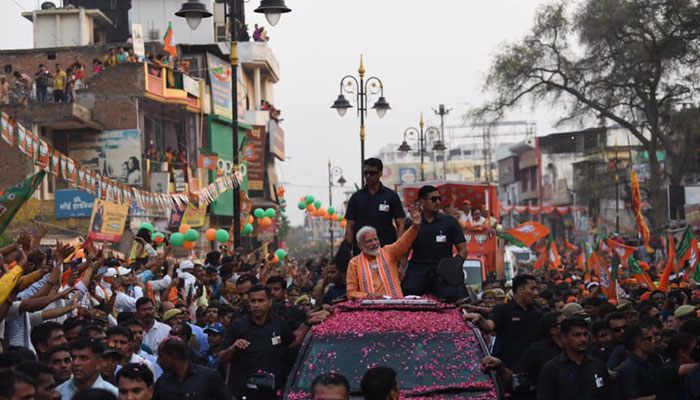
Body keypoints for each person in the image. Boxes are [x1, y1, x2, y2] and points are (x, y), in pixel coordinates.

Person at [219, 284, 314, 399]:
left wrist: (308, 323)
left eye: (260, 301)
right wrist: (233, 348)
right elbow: (222, 358)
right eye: (252, 301)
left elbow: (292, 343)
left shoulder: (278, 323)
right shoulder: (238, 326)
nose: (256, 305)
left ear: (269, 302)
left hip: (271, 392)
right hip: (243, 392)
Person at [401, 185, 468, 302]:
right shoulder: (412, 223)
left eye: (439, 199)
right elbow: (405, 251)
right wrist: (400, 268)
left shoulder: (450, 222)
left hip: (441, 271)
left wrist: (455, 266)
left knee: (452, 294)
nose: (437, 202)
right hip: (418, 268)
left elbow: (463, 250)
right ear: (422, 201)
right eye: (433, 199)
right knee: (406, 291)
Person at [346, 203, 422, 299]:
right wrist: (368, 295)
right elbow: (351, 293)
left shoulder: (388, 252)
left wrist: (414, 227)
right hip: (369, 311)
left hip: (395, 307)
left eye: (376, 239)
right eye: (369, 241)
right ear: (359, 245)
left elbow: (403, 242)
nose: (374, 243)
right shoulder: (354, 263)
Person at [470, 274, 542, 368]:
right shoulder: (503, 310)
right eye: (532, 289)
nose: (536, 293)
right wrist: (479, 319)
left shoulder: (537, 312)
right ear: (520, 290)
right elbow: (489, 326)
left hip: (530, 370)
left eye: (536, 289)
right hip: (506, 368)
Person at [536, 318, 613, 400]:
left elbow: (609, 395)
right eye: (577, 335)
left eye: (585, 334)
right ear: (564, 338)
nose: (583, 339)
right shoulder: (552, 369)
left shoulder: (598, 365)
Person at [344, 158, 406, 255]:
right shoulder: (356, 198)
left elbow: (401, 223)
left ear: (380, 173)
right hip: (361, 252)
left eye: (372, 173)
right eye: (366, 173)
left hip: (386, 249)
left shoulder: (391, 196)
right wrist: (347, 248)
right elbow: (350, 226)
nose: (368, 176)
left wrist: (398, 246)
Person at [153, 337, 229, 400]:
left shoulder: (208, 377)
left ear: (173, 356)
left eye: (161, 356)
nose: (158, 361)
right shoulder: (162, 382)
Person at [616, 324, 658, 400]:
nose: (654, 341)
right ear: (639, 343)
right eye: (649, 338)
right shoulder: (629, 368)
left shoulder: (647, 364)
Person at [655, 333, 697, 400]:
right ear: (682, 352)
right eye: (693, 350)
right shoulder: (667, 369)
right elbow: (682, 369)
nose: (696, 353)